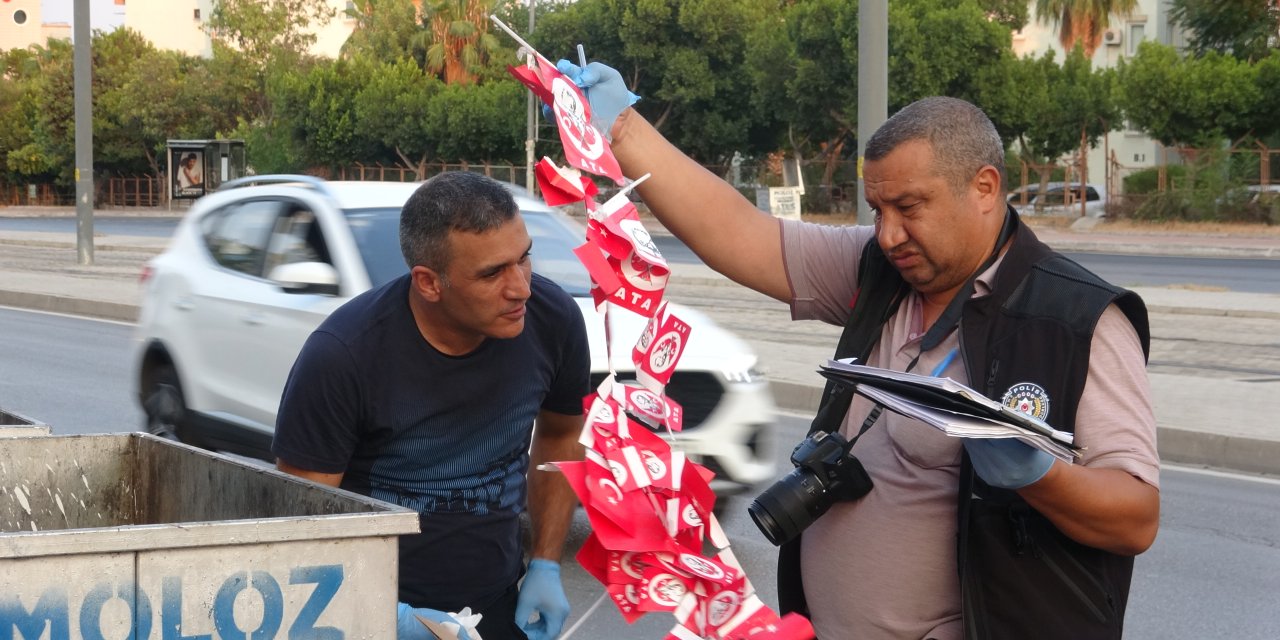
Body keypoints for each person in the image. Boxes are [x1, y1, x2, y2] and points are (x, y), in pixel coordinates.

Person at [556, 61, 1160, 639]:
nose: (889, 234)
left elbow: (1136, 518)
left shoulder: (1077, 320)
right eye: (877, 210)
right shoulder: (880, 271)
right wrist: (624, 130)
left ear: (984, 187)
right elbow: (741, 233)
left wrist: (1043, 477)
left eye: (909, 208)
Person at [272, 171, 591, 640]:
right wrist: (390, 618)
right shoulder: (344, 356)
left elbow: (563, 433)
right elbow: (302, 527)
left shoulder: (552, 319)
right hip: (370, 618)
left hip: (499, 605)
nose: (521, 287)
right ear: (428, 282)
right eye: (492, 273)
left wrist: (545, 561)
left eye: (524, 258)